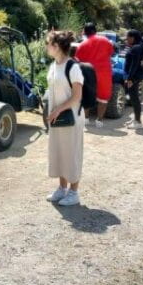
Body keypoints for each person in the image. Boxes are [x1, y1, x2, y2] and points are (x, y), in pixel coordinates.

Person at [45, 30, 85, 206]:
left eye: (48, 43)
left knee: (72, 154)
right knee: (59, 152)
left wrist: (57, 110)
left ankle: (74, 192)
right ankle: (62, 189)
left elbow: (76, 97)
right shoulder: (54, 65)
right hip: (56, 117)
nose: (46, 47)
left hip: (71, 118)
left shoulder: (73, 67)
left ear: (56, 46)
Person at [74, 23, 113, 128]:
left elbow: (77, 60)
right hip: (104, 73)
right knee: (103, 98)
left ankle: (86, 119)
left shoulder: (82, 45)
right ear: (95, 30)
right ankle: (99, 121)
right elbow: (111, 53)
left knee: (87, 96)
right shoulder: (105, 41)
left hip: (88, 73)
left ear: (85, 32)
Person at [124, 29, 143, 130]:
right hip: (137, 76)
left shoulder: (135, 48)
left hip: (133, 77)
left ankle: (138, 122)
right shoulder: (141, 46)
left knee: (134, 99)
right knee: (134, 98)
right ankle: (137, 120)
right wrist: (141, 74)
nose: (126, 39)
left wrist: (130, 78)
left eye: (128, 37)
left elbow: (134, 65)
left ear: (132, 38)